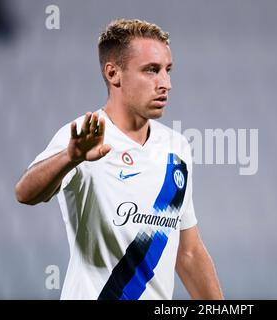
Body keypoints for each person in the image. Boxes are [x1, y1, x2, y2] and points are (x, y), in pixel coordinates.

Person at [15, 18, 223, 300]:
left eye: (167, 70)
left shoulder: (177, 148)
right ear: (114, 74)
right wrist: (70, 157)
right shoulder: (84, 136)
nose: (166, 83)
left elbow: (188, 252)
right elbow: (25, 193)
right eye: (151, 70)